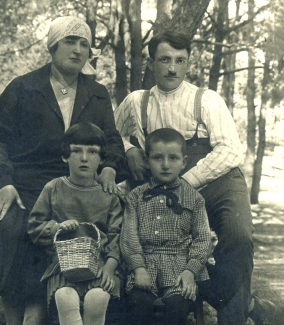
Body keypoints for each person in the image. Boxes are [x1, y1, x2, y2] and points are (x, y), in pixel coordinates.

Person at [114, 31, 277, 325]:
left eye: (180, 60)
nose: (172, 68)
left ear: (188, 63)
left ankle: (232, 316)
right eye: (164, 60)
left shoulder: (207, 100)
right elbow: (112, 135)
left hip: (217, 181)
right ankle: (247, 304)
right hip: (163, 184)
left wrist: (186, 182)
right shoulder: (136, 102)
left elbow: (230, 150)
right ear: (152, 63)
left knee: (238, 237)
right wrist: (128, 150)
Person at [0, 16, 126, 325]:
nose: (78, 49)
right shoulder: (24, 87)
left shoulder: (97, 92)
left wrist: (109, 168)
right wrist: (3, 181)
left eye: (84, 44)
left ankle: (58, 311)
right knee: (14, 223)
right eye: (70, 41)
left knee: (90, 229)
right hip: (26, 181)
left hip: (76, 183)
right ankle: (17, 317)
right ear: (53, 46)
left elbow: (111, 141)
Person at [27, 122, 123, 325]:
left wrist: (110, 266)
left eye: (93, 152)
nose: (85, 158)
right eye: (76, 151)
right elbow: (34, 226)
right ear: (65, 156)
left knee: (97, 297)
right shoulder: (54, 188)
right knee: (65, 296)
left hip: (101, 265)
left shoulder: (108, 195)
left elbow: (117, 235)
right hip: (62, 266)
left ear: (102, 159)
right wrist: (57, 227)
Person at [120, 128, 211, 325]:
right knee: (139, 305)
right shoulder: (136, 196)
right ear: (147, 160)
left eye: (173, 158)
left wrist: (190, 271)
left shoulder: (194, 198)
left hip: (180, 267)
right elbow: (129, 237)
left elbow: (203, 238)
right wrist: (138, 268)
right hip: (145, 265)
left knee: (177, 308)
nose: (166, 165)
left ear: (184, 162)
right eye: (158, 158)